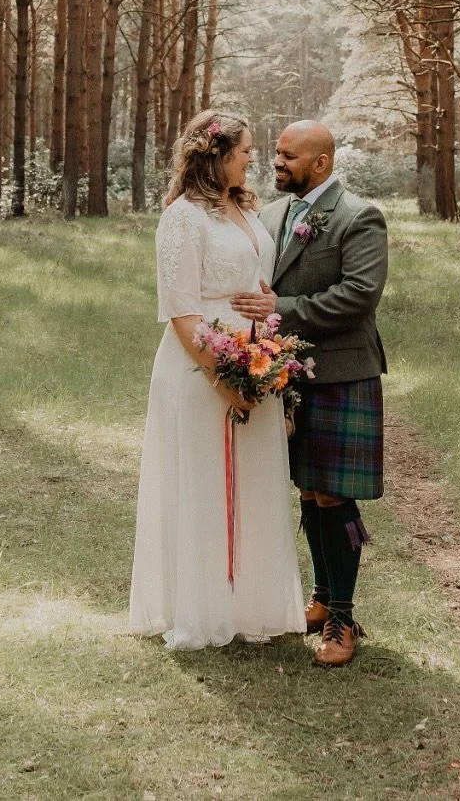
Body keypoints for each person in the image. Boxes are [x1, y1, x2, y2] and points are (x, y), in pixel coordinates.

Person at [129, 109, 305, 649]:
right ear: (218, 153)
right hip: (203, 359)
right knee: (205, 481)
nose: (256, 158)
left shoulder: (244, 209)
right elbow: (181, 310)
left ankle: (252, 604)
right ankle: (203, 609)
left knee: (253, 479)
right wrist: (222, 375)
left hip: (258, 355)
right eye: (247, 150)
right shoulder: (183, 217)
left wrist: (265, 358)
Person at [232, 120, 388, 668]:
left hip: (343, 372)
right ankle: (321, 599)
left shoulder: (358, 217)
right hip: (289, 374)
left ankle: (344, 617)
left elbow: (358, 296)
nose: (276, 161)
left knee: (334, 494)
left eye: (287, 155)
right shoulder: (272, 216)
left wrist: (282, 311)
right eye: (274, 152)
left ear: (321, 163)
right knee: (306, 490)